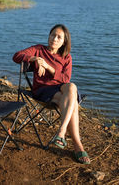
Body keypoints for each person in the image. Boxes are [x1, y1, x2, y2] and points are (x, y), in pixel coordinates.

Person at [13, 24, 90, 164]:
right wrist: (35, 59)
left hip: (61, 90)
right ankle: (78, 146)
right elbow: (16, 56)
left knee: (71, 87)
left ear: (64, 41)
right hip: (42, 91)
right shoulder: (38, 49)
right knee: (72, 103)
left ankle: (61, 132)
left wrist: (47, 67)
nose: (54, 39)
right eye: (52, 35)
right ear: (48, 36)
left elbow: (65, 79)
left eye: (59, 37)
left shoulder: (66, 57)